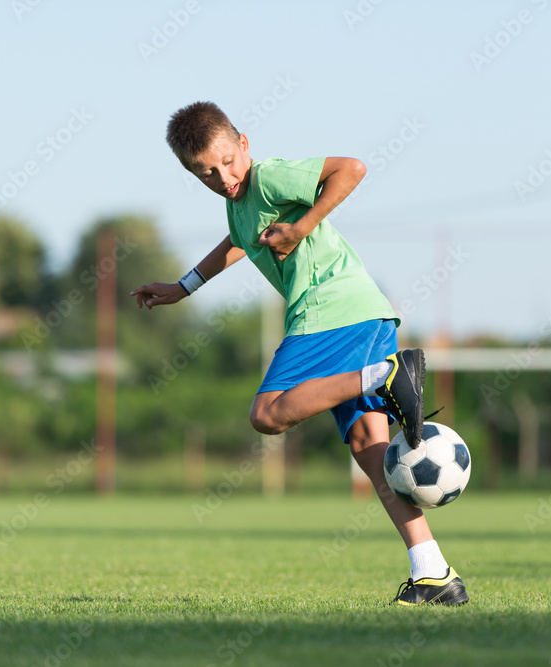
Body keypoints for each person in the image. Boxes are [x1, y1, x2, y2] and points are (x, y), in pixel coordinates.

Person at [130, 101, 468, 606]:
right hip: (366, 313)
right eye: (206, 174)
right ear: (191, 172)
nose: (224, 178)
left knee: (266, 414)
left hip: (330, 311)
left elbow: (351, 169)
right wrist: (185, 286)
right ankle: (435, 574)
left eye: (227, 161)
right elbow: (239, 241)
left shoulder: (267, 178)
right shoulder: (241, 202)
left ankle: (385, 375)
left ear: (244, 143)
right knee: (371, 453)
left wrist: (303, 226)